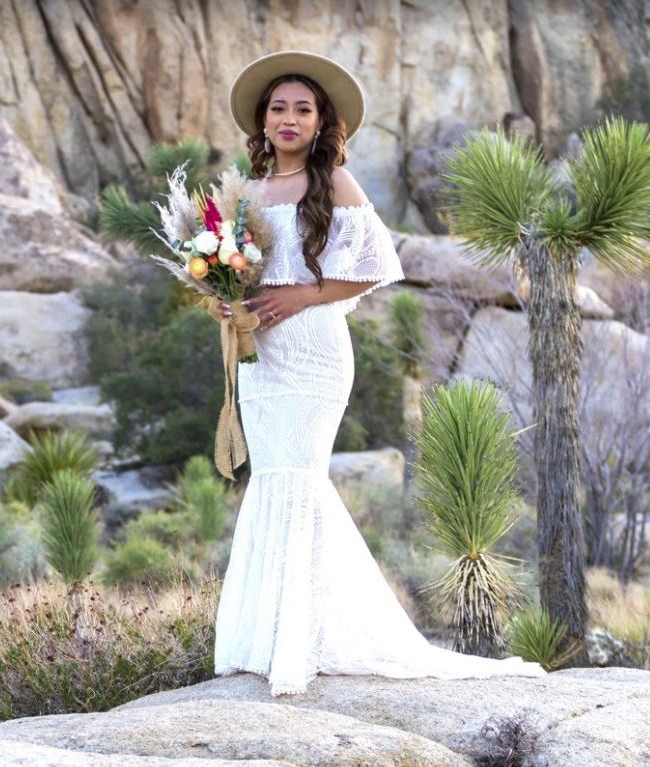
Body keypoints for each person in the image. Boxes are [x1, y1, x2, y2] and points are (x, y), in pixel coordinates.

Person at [212, 51, 548, 695]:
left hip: (312, 351)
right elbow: (240, 274)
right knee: (270, 478)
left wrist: (305, 295)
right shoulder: (246, 194)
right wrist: (230, 302)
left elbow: (378, 264)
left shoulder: (333, 181)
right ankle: (265, 638)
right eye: (278, 108)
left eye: (302, 109)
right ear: (261, 120)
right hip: (261, 357)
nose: (288, 118)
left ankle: (302, 646)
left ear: (319, 122)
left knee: (300, 477)